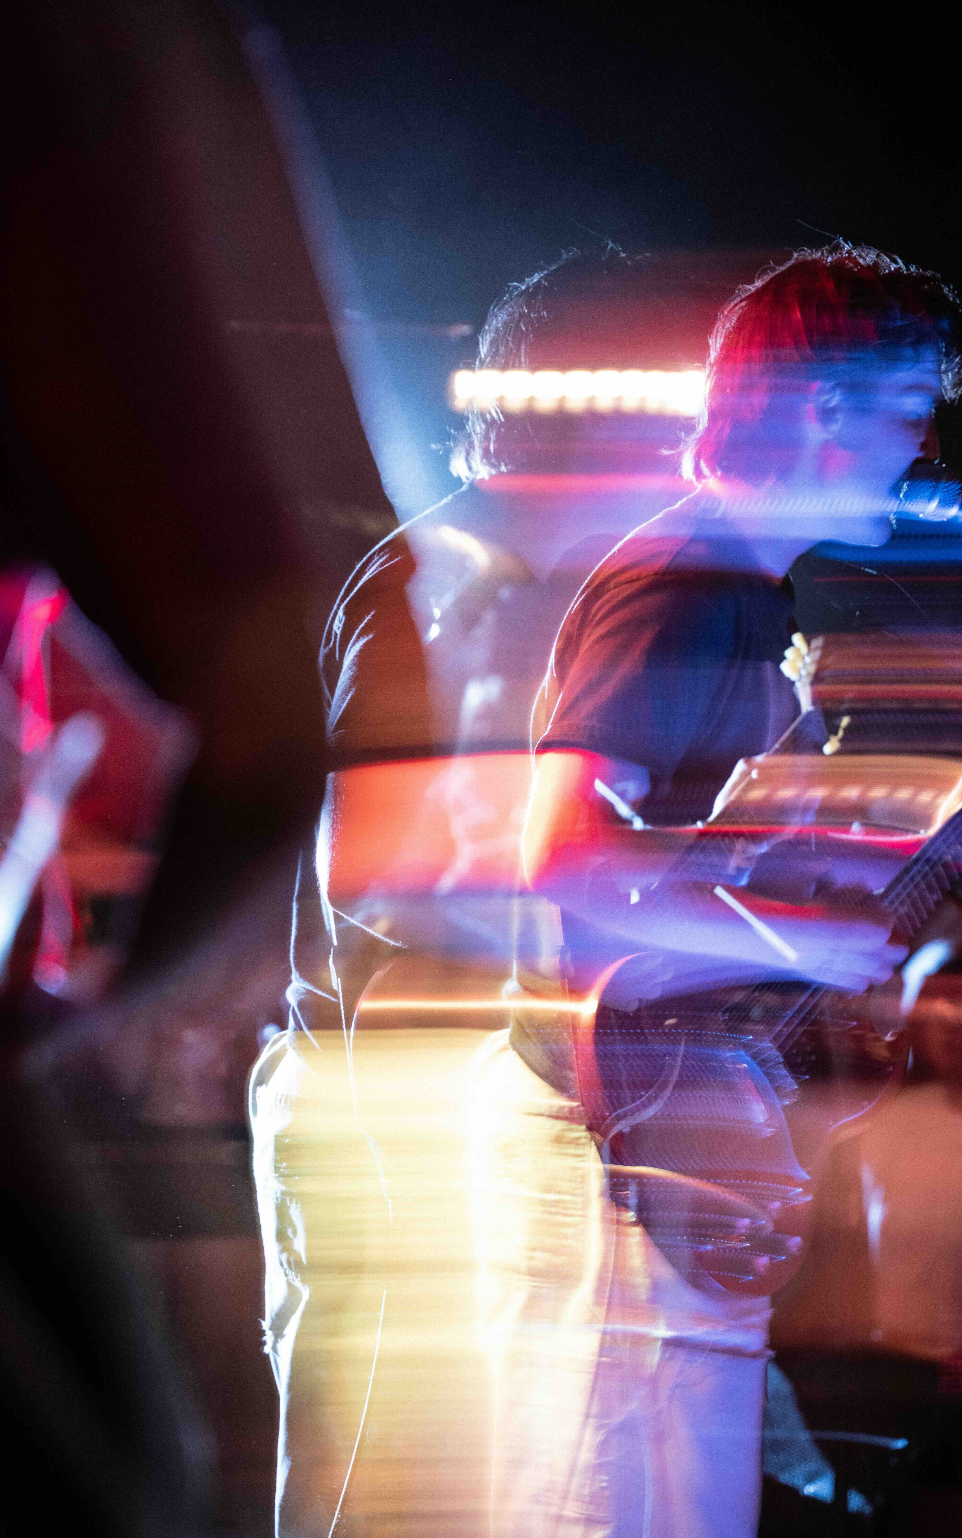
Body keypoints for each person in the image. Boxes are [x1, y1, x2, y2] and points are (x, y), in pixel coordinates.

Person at [472, 241, 962, 1538]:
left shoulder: (739, 596)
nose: (922, 452)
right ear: (821, 406)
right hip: (626, 1144)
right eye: (909, 410)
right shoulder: (679, 588)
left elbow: (692, 871)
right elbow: (560, 862)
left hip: (677, 1145)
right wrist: (810, 949)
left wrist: (944, 851)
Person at [248, 245, 720, 1537]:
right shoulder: (444, 578)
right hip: (384, 1094)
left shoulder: (588, 586)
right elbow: (370, 852)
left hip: (480, 1086)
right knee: (387, 1490)